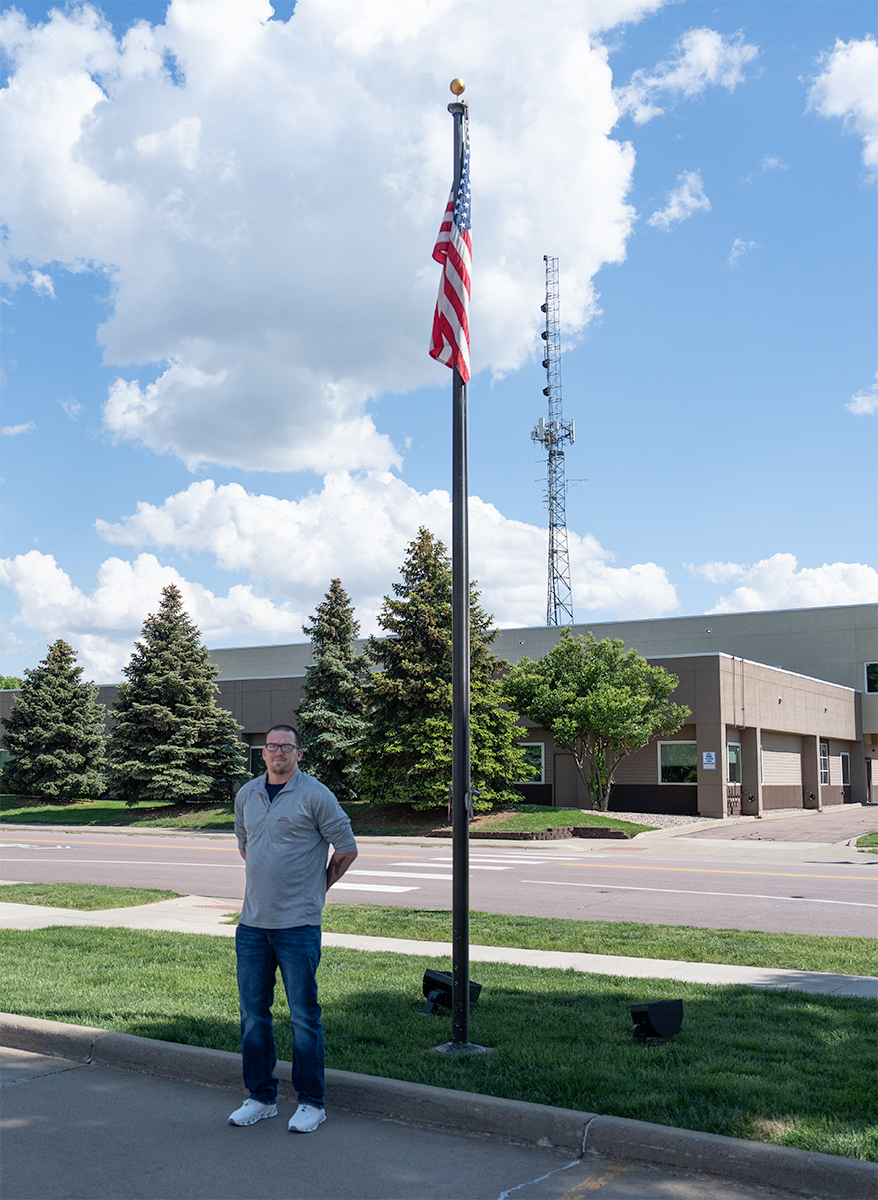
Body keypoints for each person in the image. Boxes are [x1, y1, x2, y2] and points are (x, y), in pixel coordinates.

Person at [228, 723, 357, 1133]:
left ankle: (312, 1103)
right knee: (253, 1015)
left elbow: (347, 848)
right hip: (252, 925)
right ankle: (261, 1097)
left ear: (299, 754)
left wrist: (317, 887)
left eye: (286, 746)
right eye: (271, 747)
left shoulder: (316, 795)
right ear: (262, 753)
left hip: (298, 925)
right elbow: (245, 845)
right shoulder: (247, 794)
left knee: (304, 1016)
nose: (278, 752)